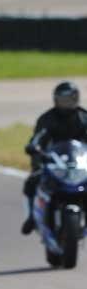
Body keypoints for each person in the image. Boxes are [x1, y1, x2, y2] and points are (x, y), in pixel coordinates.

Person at [22, 81, 87, 234]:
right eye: (63, 100)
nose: (66, 104)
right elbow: (38, 137)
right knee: (32, 181)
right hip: (53, 161)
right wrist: (34, 146)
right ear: (56, 100)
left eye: (70, 100)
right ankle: (31, 217)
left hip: (79, 162)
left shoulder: (84, 117)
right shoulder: (47, 119)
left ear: (76, 99)